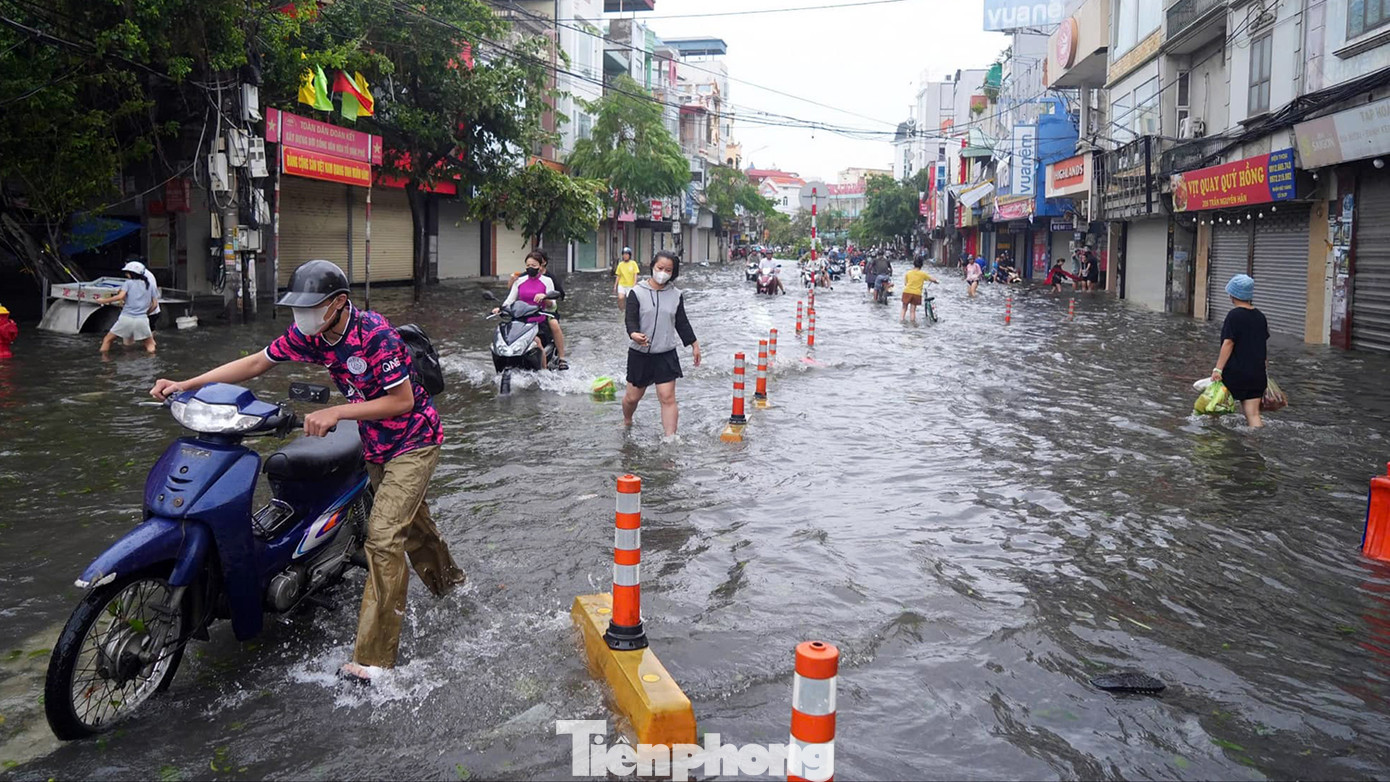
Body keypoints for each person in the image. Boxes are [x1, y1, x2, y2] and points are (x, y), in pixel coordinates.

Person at [149, 260, 465, 682]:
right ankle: (453, 586)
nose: (302, 317)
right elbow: (256, 363)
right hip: (376, 446)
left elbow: (402, 402)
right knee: (415, 528)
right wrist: (188, 385)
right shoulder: (311, 336)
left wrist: (336, 411)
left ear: (338, 303)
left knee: (384, 538)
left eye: (311, 307)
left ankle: (374, 663)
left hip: (414, 442)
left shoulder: (375, 336)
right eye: (298, 308)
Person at [622, 251, 701, 437]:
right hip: (639, 354)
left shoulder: (676, 295)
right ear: (652, 267)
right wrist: (634, 334)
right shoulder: (637, 292)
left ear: (673, 273)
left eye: (668, 270)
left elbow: (682, 323)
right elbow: (630, 319)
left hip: (665, 353)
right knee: (632, 398)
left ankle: (670, 438)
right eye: (660, 268)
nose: (663, 273)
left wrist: (694, 344)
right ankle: (627, 420)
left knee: (667, 397)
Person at [1211, 274, 1270, 428]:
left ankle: (1218, 444)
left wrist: (1218, 369)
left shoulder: (1234, 316)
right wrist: (1264, 371)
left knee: (1214, 411)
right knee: (1253, 415)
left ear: (1233, 294)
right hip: (1256, 375)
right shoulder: (1260, 317)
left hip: (1235, 374)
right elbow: (1262, 346)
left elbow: (1228, 343)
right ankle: (1254, 447)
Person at [500, 250, 568, 370]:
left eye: (534, 266)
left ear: (541, 266)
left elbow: (552, 304)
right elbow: (509, 300)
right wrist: (500, 309)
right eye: (528, 265)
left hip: (540, 316)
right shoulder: (520, 280)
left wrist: (544, 297)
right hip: (520, 319)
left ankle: (557, 361)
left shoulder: (547, 280)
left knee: (552, 326)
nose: (530, 268)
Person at [96, 261, 158, 354]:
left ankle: (104, 362)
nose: (126, 274)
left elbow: (120, 297)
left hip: (126, 318)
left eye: (127, 272)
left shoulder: (128, 283)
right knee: (150, 344)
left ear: (131, 273)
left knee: (107, 340)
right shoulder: (151, 285)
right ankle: (152, 364)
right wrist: (146, 313)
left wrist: (103, 301)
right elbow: (155, 305)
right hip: (142, 319)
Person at [900, 257, 938, 324]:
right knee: (912, 311)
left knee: (904, 308)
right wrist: (936, 281)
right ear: (921, 265)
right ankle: (913, 324)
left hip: (907, 292)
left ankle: (901, 321)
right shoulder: (923, 274)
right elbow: (932, 279)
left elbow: (905, 284)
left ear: (914, 264)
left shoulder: (908, 273)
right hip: (917, 294)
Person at [614, 247, 639, 311]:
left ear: (629, 255)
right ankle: (621, 310)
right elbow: (618, 276)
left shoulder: (633, 264)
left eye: (627, 254)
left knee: (629, 300)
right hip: (622, 284)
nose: (625, 256)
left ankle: (628, 311)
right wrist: (615, 285)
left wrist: (635, 284)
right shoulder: (620, 264)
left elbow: (635, 274)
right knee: (620, 298)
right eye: (624, 254)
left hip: (630, 285)